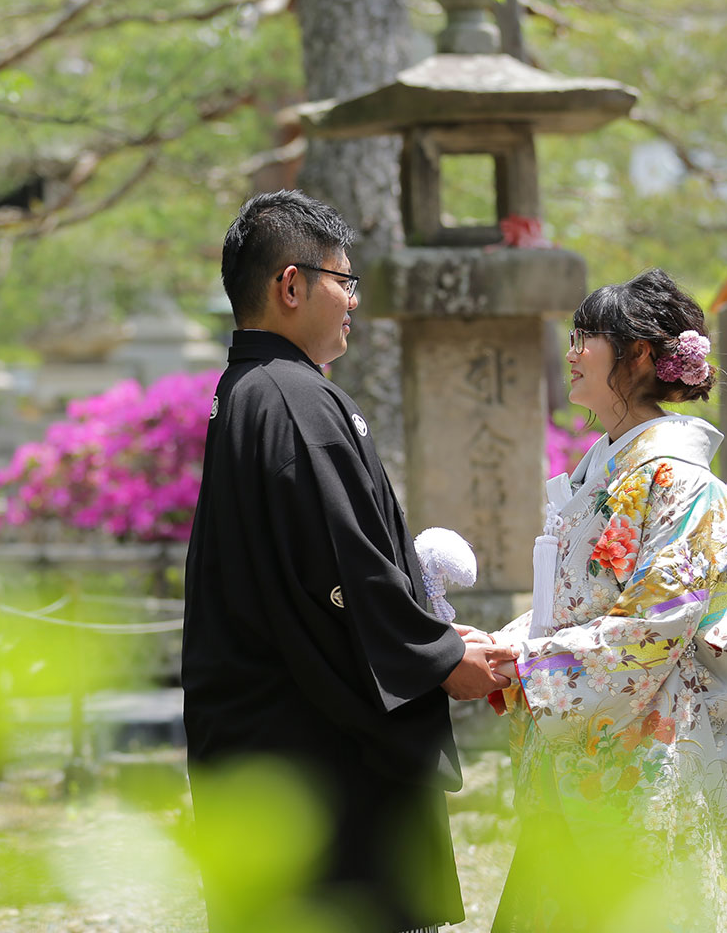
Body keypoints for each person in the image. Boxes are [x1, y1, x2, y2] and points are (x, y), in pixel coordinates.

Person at [182, 189, 516, 933]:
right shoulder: (292, 398)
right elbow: (340, 572)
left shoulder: (250, 392)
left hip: (262, 743)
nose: (353, 302)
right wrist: (435, 658)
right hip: (312, 758)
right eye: (344, 280)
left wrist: (433, 639)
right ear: (291, 285)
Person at [489, 269, 727, 933]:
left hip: (646, 763)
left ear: (644, 355)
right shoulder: (613, 472)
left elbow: (649, 631)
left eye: (587, 336)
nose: (571, 351)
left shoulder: (675, 483)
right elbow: (578, 607)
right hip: (594, 747)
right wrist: (506, 645)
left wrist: (529, 662)